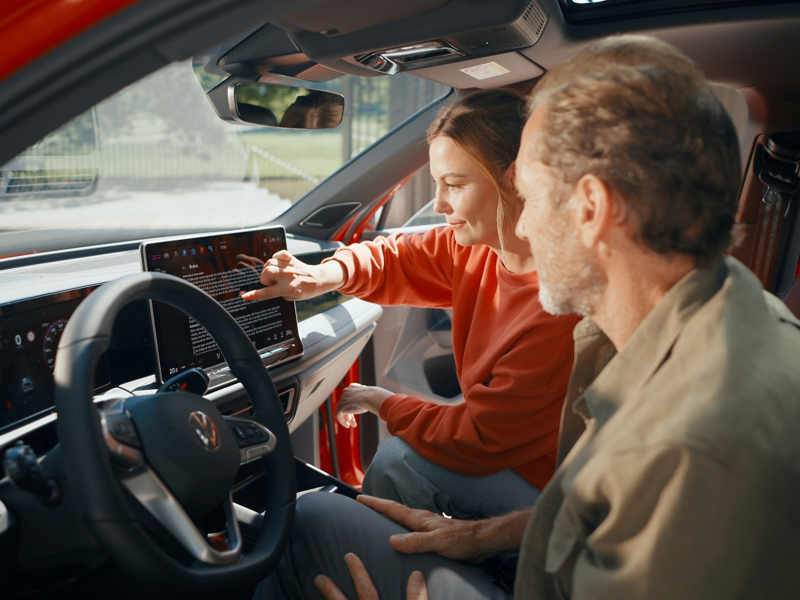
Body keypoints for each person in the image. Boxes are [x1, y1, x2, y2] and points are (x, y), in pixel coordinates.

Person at [254, 34, 800, 600]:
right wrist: (482, 536)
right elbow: (587, 508)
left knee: (307, 527)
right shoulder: (714, 322)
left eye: (529, 192)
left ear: (592, 209)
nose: (523, 227)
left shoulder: (681, 450)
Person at [243, 89, 580, 519]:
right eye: (436, 185)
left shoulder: (561, 308)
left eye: (455, 186)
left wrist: (382, 401)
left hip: (554, 497)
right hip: (515, 460)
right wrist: (321, 275)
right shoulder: (478, 247)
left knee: (393, 462)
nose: (439, 205)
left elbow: (477, 438)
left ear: (516, 180)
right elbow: (394, 258)